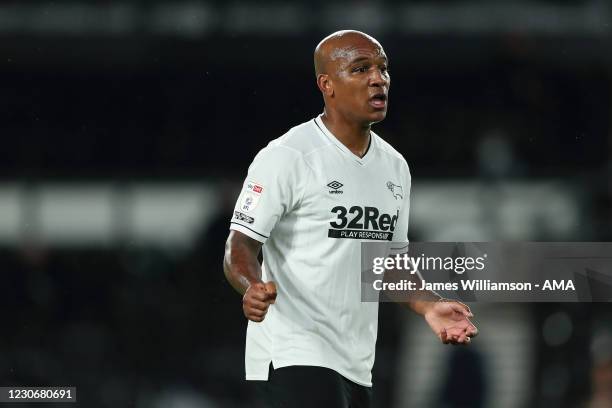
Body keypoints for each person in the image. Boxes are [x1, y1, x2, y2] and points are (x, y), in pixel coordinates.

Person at [223, 30, 478, 408]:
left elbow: (389, 262)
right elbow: (239, 244)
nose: (378, 79)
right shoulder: (288, 156)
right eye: (360, 69)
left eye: (383, 69)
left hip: (357, 365)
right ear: (327, 85)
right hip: (294, 354)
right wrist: (251, 285)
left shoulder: (394, 167)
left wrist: (428, 304)